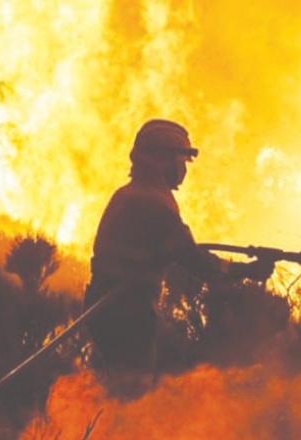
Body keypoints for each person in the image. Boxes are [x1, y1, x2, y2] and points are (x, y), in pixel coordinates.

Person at [83, 119, 274, 401]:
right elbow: (192, 258)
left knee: (115, 389)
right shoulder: (150, 201)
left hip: (109, 304)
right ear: (162, 159)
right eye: (181, 160)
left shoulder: (131, 194)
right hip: (126, 309)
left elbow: (175, 251)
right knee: (130, 396)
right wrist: (245, 270)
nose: (183, 169)